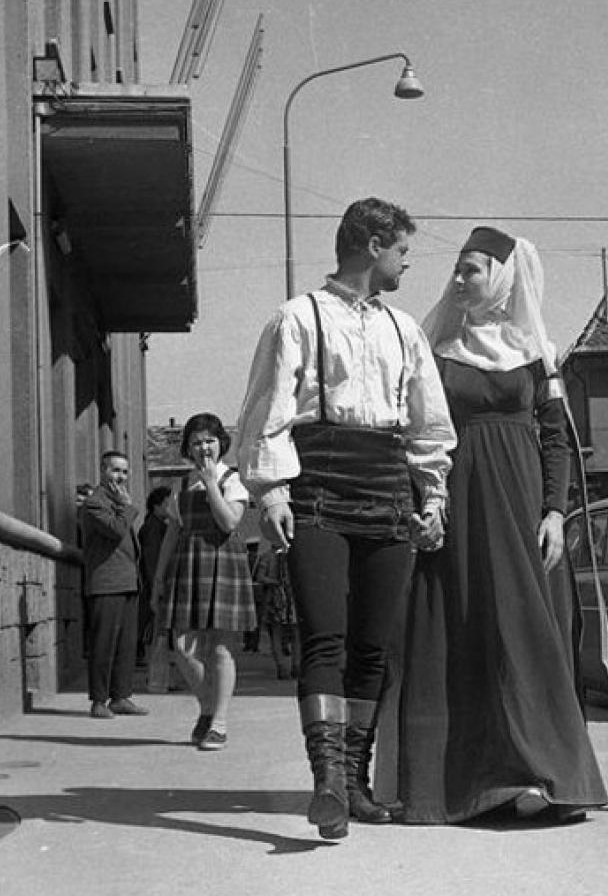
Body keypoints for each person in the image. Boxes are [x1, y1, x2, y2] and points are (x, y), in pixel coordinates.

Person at [236, 197, 455, 841]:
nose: (406, 262)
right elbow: (265, 413)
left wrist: (432, 498)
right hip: (318, 488)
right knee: (324, 638)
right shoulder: (297, 319)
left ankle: (355, 782)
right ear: (371, 245)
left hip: (387, 487)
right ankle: (326, 779)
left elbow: (428, 424)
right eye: (402, 250)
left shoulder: (404, 330)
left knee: (374, 647)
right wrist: (272, 495)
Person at [395, 226, 608, 824]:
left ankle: (549, 777)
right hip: (460, 503)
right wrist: (428, 504)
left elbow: (557, 439)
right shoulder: (436, 352)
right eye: (458, 271)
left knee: (528, 635)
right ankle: (470, 787)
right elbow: (419, 435)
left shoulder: (537, 354)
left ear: (503, 279)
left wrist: (556, 512)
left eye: (473, 271)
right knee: (465, 631)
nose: (460, 281)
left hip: (521, 509)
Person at [151, 413, 256, 751]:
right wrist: (158, 578)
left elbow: (228, 523)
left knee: (221, 647)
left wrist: (212, 483)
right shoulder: (182, 485)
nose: (203, 447)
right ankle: (208, 708)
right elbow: (172, 534)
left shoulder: (232, 480)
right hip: (188, 562)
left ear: (220, 443)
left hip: (222, 561)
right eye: (196, 442)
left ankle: (219, 723)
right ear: (188, 448)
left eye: (209, 440)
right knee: (182, 646)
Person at [80, 452, 148, 720]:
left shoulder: (116, 502)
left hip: (128, 581)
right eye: (115, 471)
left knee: (126, 644)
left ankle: (121, 696)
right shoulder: (95, 503)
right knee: (104, 644)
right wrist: (128, 506)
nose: (120, 477)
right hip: (106, 583)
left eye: (124, 472)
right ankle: (99, 701)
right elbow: (117, 530)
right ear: (102, 470)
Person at [250, 541, 299, 677]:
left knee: (277, 634)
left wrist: (274, 582)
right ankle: (296, 665)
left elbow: (260, 577)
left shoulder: (267, 556)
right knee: (295, 634)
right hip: (290, 597)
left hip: (275, 598)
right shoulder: (294, 554)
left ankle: (282, 667)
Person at [137, 485, 172, 664]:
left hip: (152, 582)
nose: (171, 507)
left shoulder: (157, 525)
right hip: (152, 582)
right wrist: (156, 584)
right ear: (156, 506)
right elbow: (152, 559)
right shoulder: (153, 527)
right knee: (151, 623)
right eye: (167, 504)